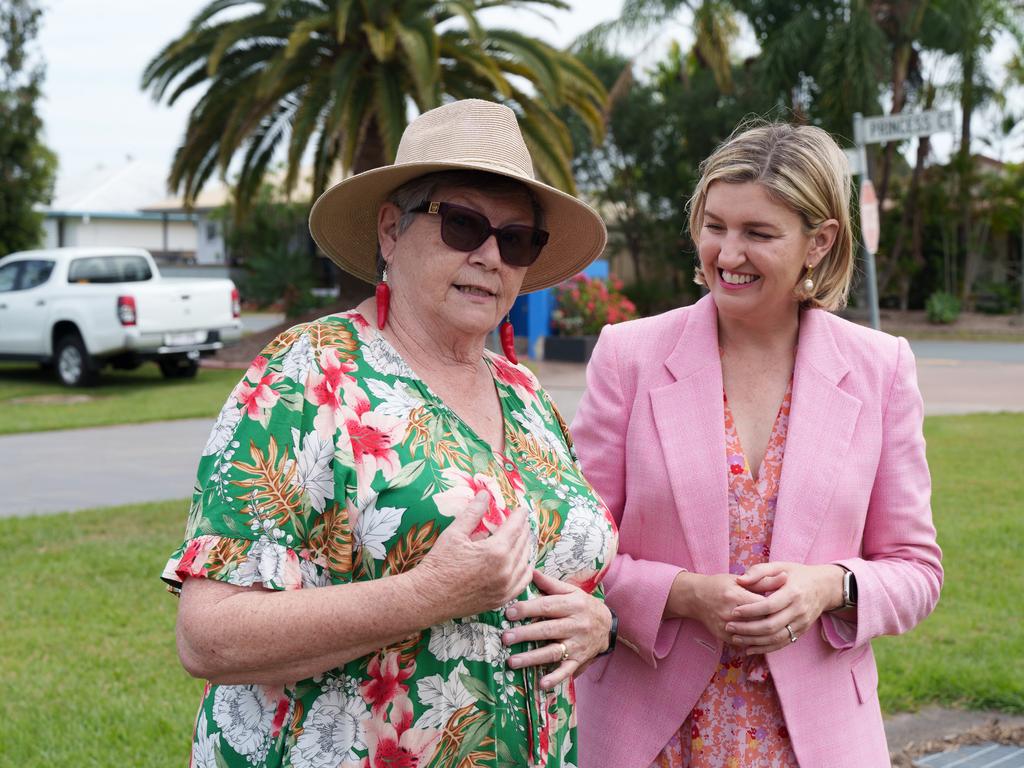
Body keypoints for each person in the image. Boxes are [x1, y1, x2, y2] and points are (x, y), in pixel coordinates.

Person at [161, 99, 618, 768]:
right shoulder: (311, 372)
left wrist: (595, 626)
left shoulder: (525, 395)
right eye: (463, 225)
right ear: (389, 231)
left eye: (516, 239)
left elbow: (568, 574)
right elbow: (208, 638)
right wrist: (426, 597)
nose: (490, 256)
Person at [571, 122, 942, 768]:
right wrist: (686, 596)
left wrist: (831, 586)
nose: (727, 252)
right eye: (715, 225)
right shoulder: (627, 356)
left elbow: (918, 570)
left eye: (759, 233)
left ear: (819, 242)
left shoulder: (881, 369)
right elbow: (571, 551)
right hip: (648, 737)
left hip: (813, 745)